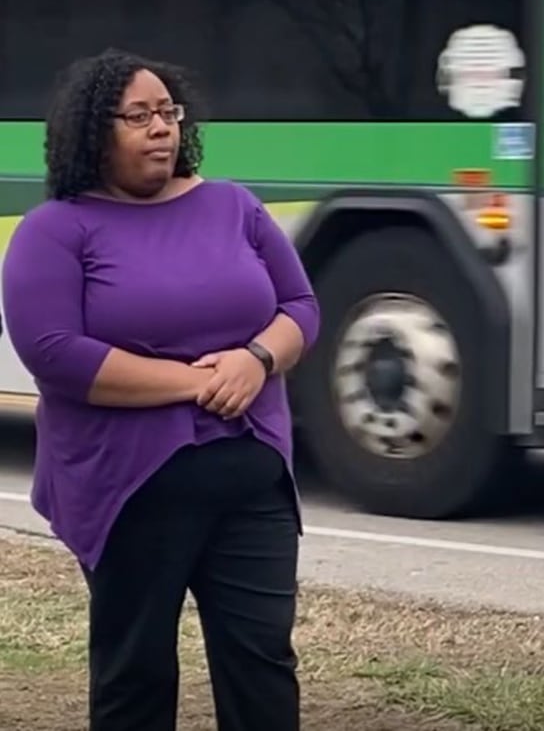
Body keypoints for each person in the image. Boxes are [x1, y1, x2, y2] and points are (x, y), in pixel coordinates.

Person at [0, 49, 320, 731]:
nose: (160, 128)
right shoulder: (54, 230)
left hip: (250, 482)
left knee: (263, 663)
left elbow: (300, 305)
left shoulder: (232, 205)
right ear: (94, 131)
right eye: (138, 116)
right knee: (136, 673)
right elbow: (54, 354)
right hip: (130, 489)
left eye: (168, 112)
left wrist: (257, 360)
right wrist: (201, 381)